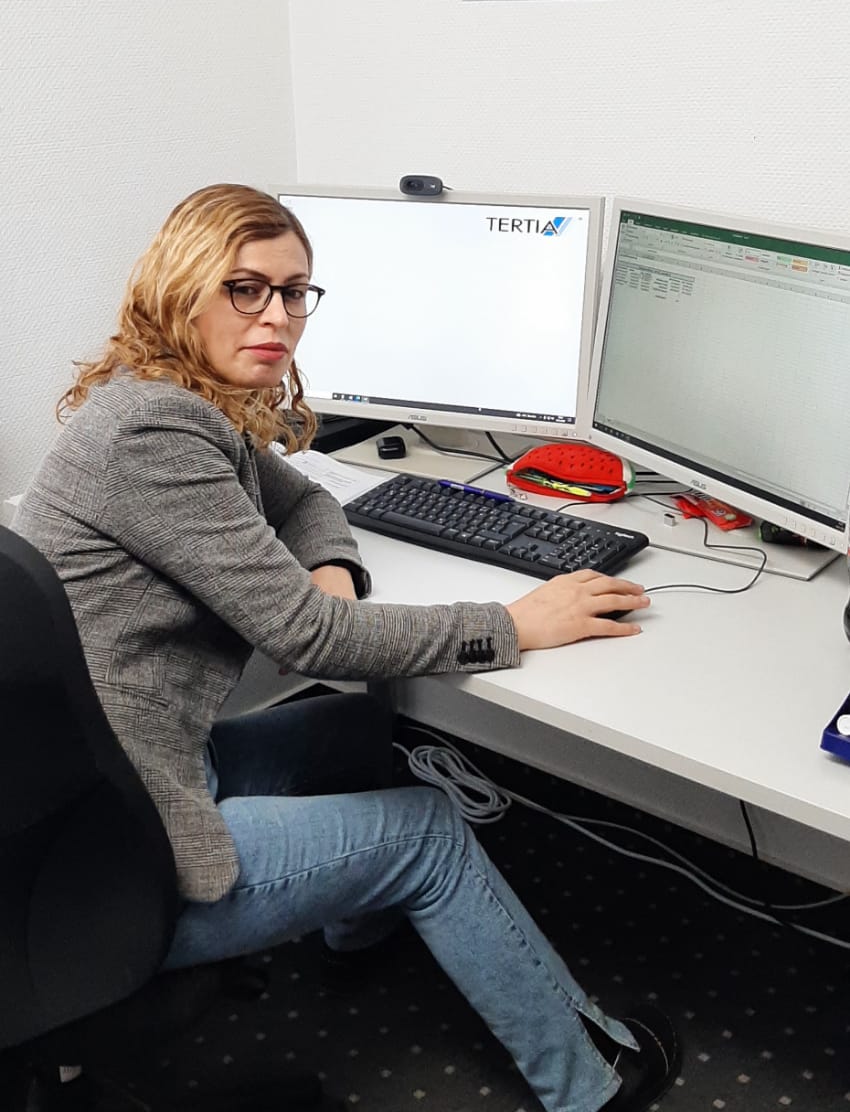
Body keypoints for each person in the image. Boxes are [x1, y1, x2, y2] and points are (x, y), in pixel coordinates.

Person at [15, 183, 678, 1112]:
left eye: (295, 292)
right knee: (429, 832)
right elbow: (310, 639)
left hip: (112, 776)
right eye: (246, 288)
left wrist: (327, 579)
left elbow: (306, 500)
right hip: (117, 859)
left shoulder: (177, 402)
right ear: (180, 290)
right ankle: (594, 1083)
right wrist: (515, 623)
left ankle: (355, 928)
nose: (277, 316)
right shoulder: (152, 434)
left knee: (354, 730)